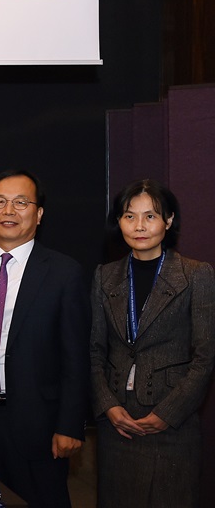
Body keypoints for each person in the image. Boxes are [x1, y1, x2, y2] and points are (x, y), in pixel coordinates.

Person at [0, 170, 89, 508]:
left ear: (39, 214)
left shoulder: (63, 273)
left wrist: (70, 424)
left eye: (21, 203)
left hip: (37, 423)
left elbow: (76, 356)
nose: (8, 211)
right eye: (0, 202)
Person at [89, 179, 215, 507]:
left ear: (169, 220)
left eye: (150, 216)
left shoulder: (196, 274)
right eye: (129, 217)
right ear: (118, 222)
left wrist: (169, 412)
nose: (139, 226)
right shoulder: (105, 276)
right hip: (117, 425)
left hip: (171, 424)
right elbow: (95, 350)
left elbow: (205, 355)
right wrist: (107, 405)